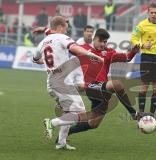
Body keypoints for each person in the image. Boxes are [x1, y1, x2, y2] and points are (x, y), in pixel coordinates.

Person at [32, 16, 103, 150]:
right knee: (80, 114)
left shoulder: (43, 43)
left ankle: (61, 143)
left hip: (51, 82)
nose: (67, 30)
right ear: (59, 27)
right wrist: (91, 54)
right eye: (66, 27)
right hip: (62, 82)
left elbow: (35, 59)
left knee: (68, 112)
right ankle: (51, 123)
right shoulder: (62, 38)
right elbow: (75, 48)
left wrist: (48, 62)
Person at [131, 2, 156, 116]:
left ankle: (152, 114)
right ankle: (141, 114)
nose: (153, 14)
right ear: (148, 13)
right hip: (146, 57)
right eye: (151, 12)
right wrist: (142, 45)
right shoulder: (141, 25)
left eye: (155, 12)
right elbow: (133, 38)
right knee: (144, 87)